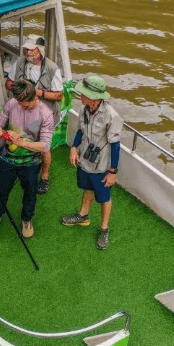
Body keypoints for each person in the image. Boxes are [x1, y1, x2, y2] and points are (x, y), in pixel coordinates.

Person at [0, 79, 54, 239]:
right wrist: (4, 135)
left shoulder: (46, 114)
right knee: (1, 189)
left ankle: (27, 220)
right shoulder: (12, 103)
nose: (21, 107)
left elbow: (45, 146)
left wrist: (20, 142)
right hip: (8, 158)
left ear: (34, 97)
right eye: (19, 103)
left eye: (25, 105)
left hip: (31, 162)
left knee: (30, 193)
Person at [61, 76, 123, 250]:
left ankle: (104, 229)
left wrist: (112, 172)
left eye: (84, 94)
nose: (81, 96)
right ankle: (83, 215)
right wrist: (74, 147)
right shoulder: (84, 109)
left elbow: (116, 145)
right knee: (87, 188)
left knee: (104, 197)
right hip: (86, 160)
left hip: (102, 165)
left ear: (96, 98)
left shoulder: (111, 116)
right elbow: (81, 130)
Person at [5, 34, 63, 194]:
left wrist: (36, 93)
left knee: (44, 148)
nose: (28, 53)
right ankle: (20, 168)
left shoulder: (52, 68)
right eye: (26, 49)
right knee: (17, 139)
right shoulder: (19, 62)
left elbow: (58, 95)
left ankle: (44, 176)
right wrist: (20, 89)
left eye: (31, 49)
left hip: (43, 116)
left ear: (40, 50)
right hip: (22, 113)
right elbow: (8, 83)